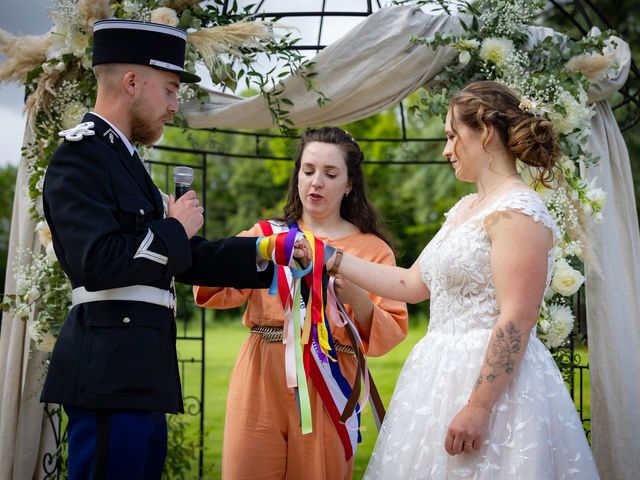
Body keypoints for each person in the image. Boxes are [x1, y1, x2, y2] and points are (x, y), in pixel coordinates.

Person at [39, 19, 302, 480]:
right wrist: (173, 230)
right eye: (170, 89)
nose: (175, 106)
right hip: (107, 375)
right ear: (133, 82)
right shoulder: (79, 156)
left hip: (140, 373)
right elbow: (96, 262)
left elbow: (188, 256)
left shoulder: (125, 160)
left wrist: (266, 250)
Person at [323, 81, 599, 479]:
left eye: (452, 135)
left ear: (485, 131)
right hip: (436, 377)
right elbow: (411, 284)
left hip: (492, 388)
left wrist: (480, 406)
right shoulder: (466, 208)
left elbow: (517, 318)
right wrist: (331, 258)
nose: (446, 149)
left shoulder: (518, 211)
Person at [193, 127, 408, 480]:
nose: (316, 182)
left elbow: (393, 328)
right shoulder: (266, 235)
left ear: (349, 183)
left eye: (330, 173)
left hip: (330, 375)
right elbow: (211, 287)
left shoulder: (373, 250)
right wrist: (261, 256)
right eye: (308, 171)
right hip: (262, 370)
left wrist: (357, 299)